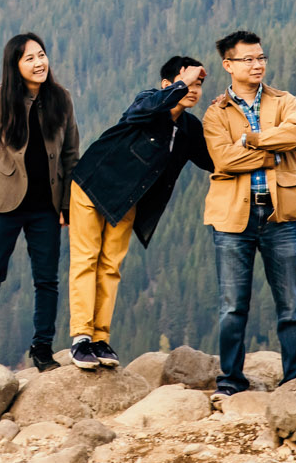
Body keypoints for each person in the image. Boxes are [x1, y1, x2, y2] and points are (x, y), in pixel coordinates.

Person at [65, 56, 215, 371]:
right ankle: (80, 338)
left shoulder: (188, 129)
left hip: (127, 199)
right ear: (168, 84)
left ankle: (99, 338)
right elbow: (140, 112)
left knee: (110, 265)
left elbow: (215, 160)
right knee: (86, 259)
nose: (192, 89)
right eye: (187, 81)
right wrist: (180, 85)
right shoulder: (149, 101)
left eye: (198, 84)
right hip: (93, 183)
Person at [201, 29, 296, 394]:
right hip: (233, 219)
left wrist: (249, 140)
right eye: (248, 59)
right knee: (232, 307)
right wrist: (269, 150)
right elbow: (223, 159)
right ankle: (231, 381)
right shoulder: (215, 114)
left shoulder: (285, 101)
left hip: (280, 215)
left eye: (261, 57)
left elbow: (294, 136)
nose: (257, 64)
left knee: (292, 304)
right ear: (228, 65)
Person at [0, 32, 79, 371]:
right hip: (1, 202)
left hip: (46, 205)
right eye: (29, 58)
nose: (38, 62)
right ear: (15, 65)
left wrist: (67, 203)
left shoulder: (61, 98)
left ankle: (42, 348)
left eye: (41, 55)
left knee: (46, 279)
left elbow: (71, 154)